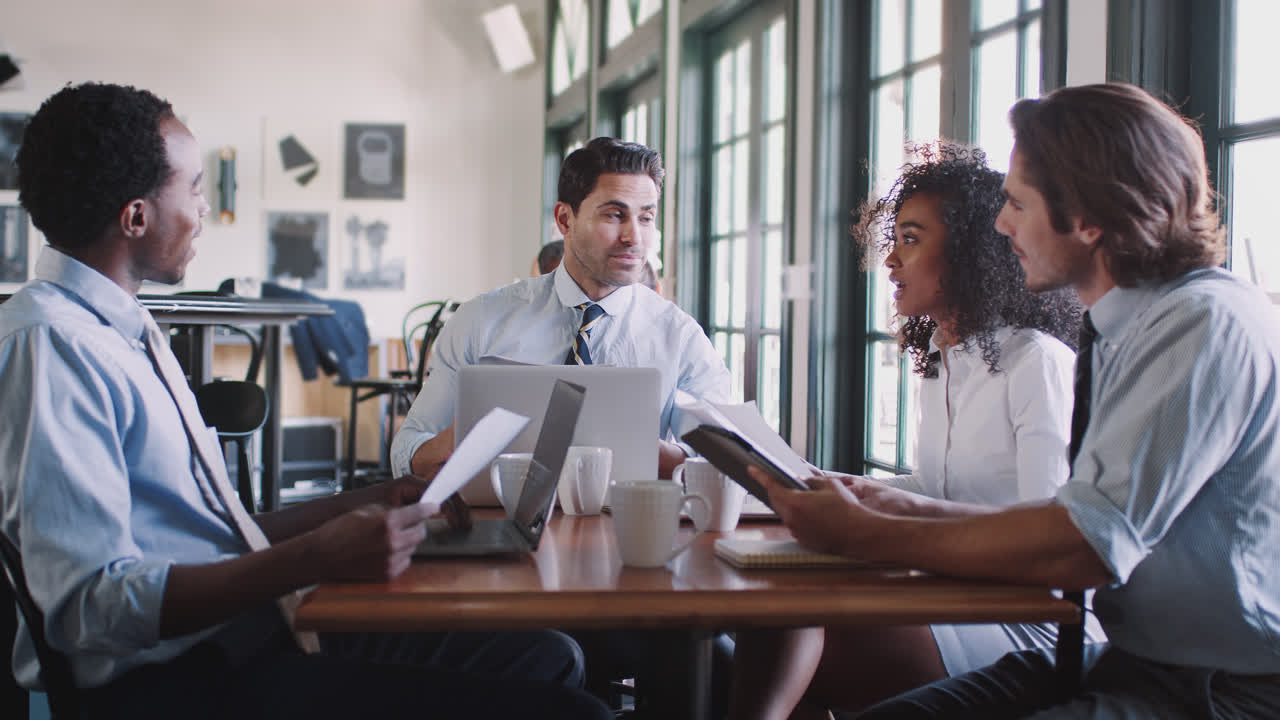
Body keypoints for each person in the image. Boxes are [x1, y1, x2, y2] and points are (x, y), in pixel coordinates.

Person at [0, 82, 611, 720]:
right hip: (187, 683)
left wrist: (369, 498)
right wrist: (312, 556)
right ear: (135, 216)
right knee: (575, 707)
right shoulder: (54, 347)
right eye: (196, 188)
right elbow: (89, 608)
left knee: (546, 657)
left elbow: (212, 539)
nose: (206, 208)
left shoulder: (119, 328)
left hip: (243, 637)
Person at [755, 83, 1280, 719]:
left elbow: (1084, 546)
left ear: (1088, 219)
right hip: (1137, 662)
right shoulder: (1125, 326)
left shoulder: (1198, 324)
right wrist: (902, 506)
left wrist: (867, 533)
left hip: (1225, 689)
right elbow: (1070, 513)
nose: (1002, 227)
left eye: (1018, 205)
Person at [729, 143, 1102, 719]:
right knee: (778, 609)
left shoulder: (1037, 364)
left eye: (911, 238)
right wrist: (837, 482)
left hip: (1028, 620)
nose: (891, 261)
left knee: (797, 636)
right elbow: (937, 486)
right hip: (954, 588)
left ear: (970, 251)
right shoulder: (944, 361)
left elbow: (1046, 532)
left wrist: (878, 523)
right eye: (894, 240)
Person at [391, 137, 731, 482]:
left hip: (623, 528)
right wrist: (460, 440)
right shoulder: (481, 321)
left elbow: (722, 461)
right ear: (565, 219)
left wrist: (639, 449)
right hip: (494, 524)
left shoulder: (680, 337)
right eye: (614, 215)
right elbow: (406, 451)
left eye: (646, 218)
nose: (634, 237)